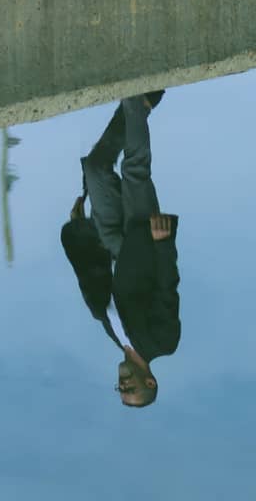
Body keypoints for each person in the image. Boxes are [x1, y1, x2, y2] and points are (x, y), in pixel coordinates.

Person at [60, 92, 180, 407]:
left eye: (121, 391)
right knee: (135, 169)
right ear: (149, 381)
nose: (123, 385)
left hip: (110, 243)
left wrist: (81, 231)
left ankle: (137, 109)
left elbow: (93, 282)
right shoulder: (163, 342)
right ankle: (134, 95)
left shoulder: (117, 338)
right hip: (144, 244)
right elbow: (168, 289)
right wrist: (164, 243)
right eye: (132, 389)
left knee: (96, 169)